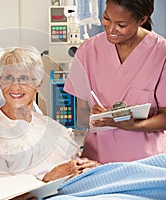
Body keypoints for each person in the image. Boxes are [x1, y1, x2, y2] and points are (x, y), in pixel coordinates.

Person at [0, 47, 99, 182]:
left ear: (38, 84)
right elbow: (1, 190)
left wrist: (90, 168)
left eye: (24, 78)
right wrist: (48, 179)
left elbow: (75, 162)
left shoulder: (52, 128)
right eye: (8, 78)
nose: (16, 86)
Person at [64, 0, 166, 164]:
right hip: (97, 162)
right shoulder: (87, 52)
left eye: (121, 24)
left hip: (147, 165)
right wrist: (93, 117)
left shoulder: (161, 53)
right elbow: (82, 115)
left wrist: (134, 125)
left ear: (142, 20)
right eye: (107, 18)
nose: (111, 29)